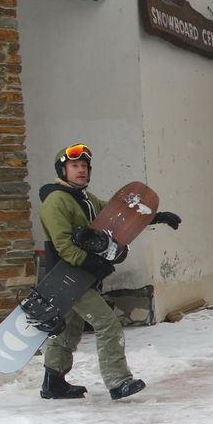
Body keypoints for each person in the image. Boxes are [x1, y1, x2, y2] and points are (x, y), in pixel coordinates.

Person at [37, 142, 181, 401]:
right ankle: (118, 381)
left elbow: (118, 214)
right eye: (74, 166)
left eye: (84, 166)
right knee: (108, 324)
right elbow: (63, 245)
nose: (80, 170)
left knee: (69, 328)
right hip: (68, 276)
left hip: (79, 276)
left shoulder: (83, 198)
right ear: (63, 169)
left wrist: (155, 217)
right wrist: (91, 264)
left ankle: (53, 382)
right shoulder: (56, 201)